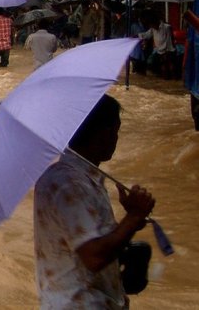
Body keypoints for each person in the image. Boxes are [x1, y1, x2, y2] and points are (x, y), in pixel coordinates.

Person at [34, 94, 155, 309]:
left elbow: (90, 244)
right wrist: (133, 217)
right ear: (104, 133)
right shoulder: (68, 184)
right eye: (115, 132)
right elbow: (94, 257)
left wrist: (128, 227)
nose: (116, 139)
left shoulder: (83, 178)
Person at [139, 8, 175, 79]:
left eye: (151, 25)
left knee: (169, 66)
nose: (151, 27)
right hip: (159, 51)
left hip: (168, 51)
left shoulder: (167, 28)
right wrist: (136, 36)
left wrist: (167, 52)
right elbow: (146, 35)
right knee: (157, 65)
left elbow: (169, 42)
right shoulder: (152, 29)